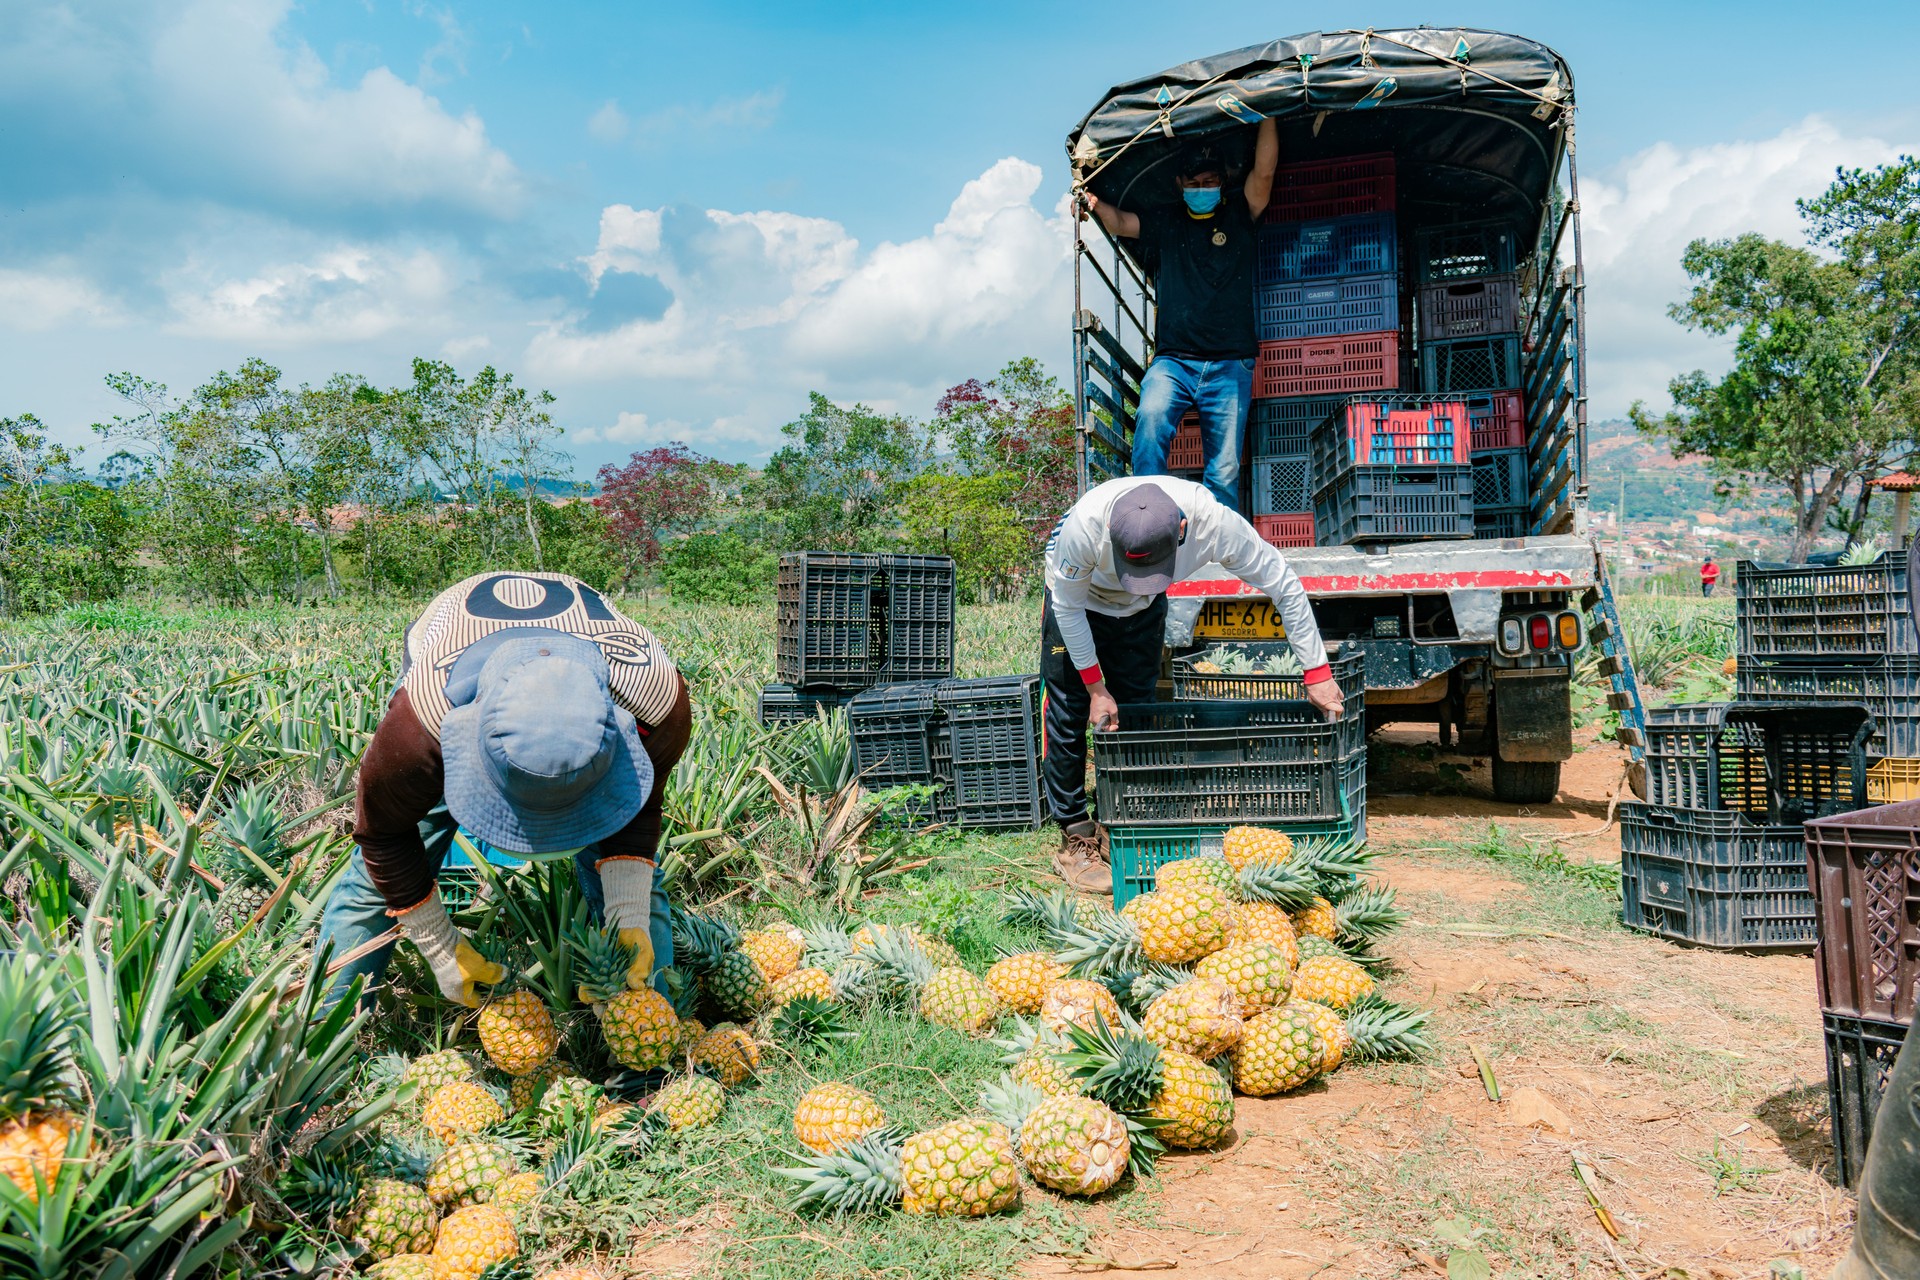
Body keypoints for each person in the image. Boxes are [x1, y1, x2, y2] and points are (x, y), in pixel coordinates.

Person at [314, 571, 690, 1013]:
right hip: (457, 659)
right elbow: (383, 835)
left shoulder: (656, 703)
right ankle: (323, 1037)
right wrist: (438, 943)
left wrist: (630, 916)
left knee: (636, 885)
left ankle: (656, 1055)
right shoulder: (421, 729)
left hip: (600, 669)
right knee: (375, 882)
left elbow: (640, 810)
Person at [1041, 476, 1342, 893]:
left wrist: (1317, 671)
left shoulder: (1216, 526)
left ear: (1182, 531)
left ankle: (1120, 823)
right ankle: (1076, 834)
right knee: (1068, 711)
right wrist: (1094, 687)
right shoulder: (1084, 528)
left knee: (1137, 709)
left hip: (1143, 610)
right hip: (1076, 601)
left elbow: (1283, 583)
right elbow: (1068, 608)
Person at [1079, 117, 1279, 513]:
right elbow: (1120, 223)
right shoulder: (1165, 222)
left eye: (1209, 182)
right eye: (1193, 183)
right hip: (1173, 362)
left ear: (1222, 182)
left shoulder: (1241, 212)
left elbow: (1265, 170)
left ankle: (1220, 550)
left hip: (1230, 363)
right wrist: (1094, 203)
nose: (1201, 189)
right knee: (1150, 425)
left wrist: (1268, 110)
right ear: (1179, 185)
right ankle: (1146, 518)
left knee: (1223, 471)